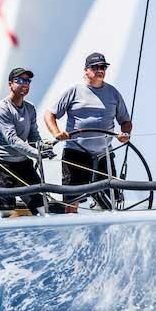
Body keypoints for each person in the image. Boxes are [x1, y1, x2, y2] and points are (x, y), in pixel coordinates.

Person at [44, 52, 132, 213]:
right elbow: (50, 114)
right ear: (86, 70)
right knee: (72, 203)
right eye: (96, 67)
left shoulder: (113, 93)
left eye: (103, 67)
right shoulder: (74, 91)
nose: (100, 70)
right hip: (76, 154)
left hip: (103, 155)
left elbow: (125, 122)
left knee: (110, 203)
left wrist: (125, 134)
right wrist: (57, 133)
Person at [0, 67, 54, 217]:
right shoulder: (2, 108)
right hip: (1, 164)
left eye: (28, 81)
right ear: (10, 84)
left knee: (42, 208)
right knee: (4, 213)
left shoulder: (30, 108)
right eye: (20, 80)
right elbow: (12, 140)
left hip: (22, 163)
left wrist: (43, 148)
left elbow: (34, 135)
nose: (25, 84)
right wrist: (37, 154)